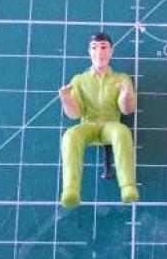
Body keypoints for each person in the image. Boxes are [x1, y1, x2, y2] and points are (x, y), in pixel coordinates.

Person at [58, 32, 139, 207]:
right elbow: (75, 114)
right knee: (70, 136)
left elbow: (127, 110)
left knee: (122, 132)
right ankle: (70, 190)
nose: (99, 52)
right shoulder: (79, 80)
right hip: (88, 125)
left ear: (111, 51)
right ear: (89, 51)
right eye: (94, 48)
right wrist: (66, 99)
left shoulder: (121, 79)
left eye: (103, 47)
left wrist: (126, 95)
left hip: (111, 125)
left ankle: (128, 187)